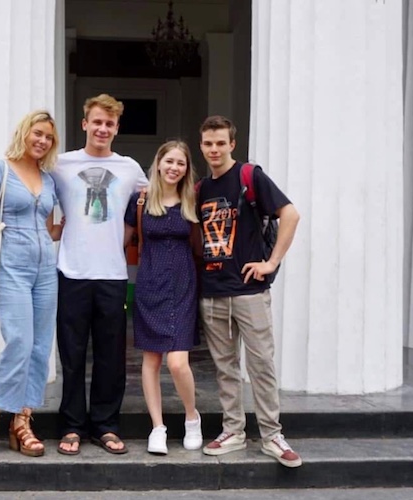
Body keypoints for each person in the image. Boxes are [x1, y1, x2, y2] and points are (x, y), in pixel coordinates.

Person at [0, 95, 148, 455]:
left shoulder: (129, 168)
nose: (102, 129)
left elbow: (160, 193)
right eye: (96, 122)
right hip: (68, 272)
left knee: (102, 356)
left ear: (117, 128)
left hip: (110, 273)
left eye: (109, 124)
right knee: (67, 354)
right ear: (84, 124)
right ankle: (68, 426)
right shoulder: (60, 165)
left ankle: (100, 425)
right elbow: (15, 181)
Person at [195, 115, 303, 468]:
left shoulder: (249, 176)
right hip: (213, 291)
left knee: (261, 365)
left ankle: (272, 435)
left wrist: (271, 262)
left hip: (249, 291)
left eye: (220, 143)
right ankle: (233, 430)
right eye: (208, 143)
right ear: (201, 146)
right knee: (225, 367)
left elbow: (290, 214)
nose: (214, 149)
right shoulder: (200, 189)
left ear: (232, 144)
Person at [0, 110, 63, 457]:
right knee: (19, 340)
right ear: (24, 133)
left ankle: (22, 420)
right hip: (11, 267)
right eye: (37, 133)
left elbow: (49, 229)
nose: (42, 141)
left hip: (45, 270)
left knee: (40, 347)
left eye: (49, 137)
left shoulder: (49, 179)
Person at [123, 140, 203, 455]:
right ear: (158, 163)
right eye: (169, 161)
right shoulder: (140, 200)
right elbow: (121, 239)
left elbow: (201, 243)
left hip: (183, 285)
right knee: (152, 360)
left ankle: (192, 417)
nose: (174, 168)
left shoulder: (193, 200)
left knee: (178, 362)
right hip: (150, 285)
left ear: (186, 169)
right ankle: (157, 427)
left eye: (180, 163)